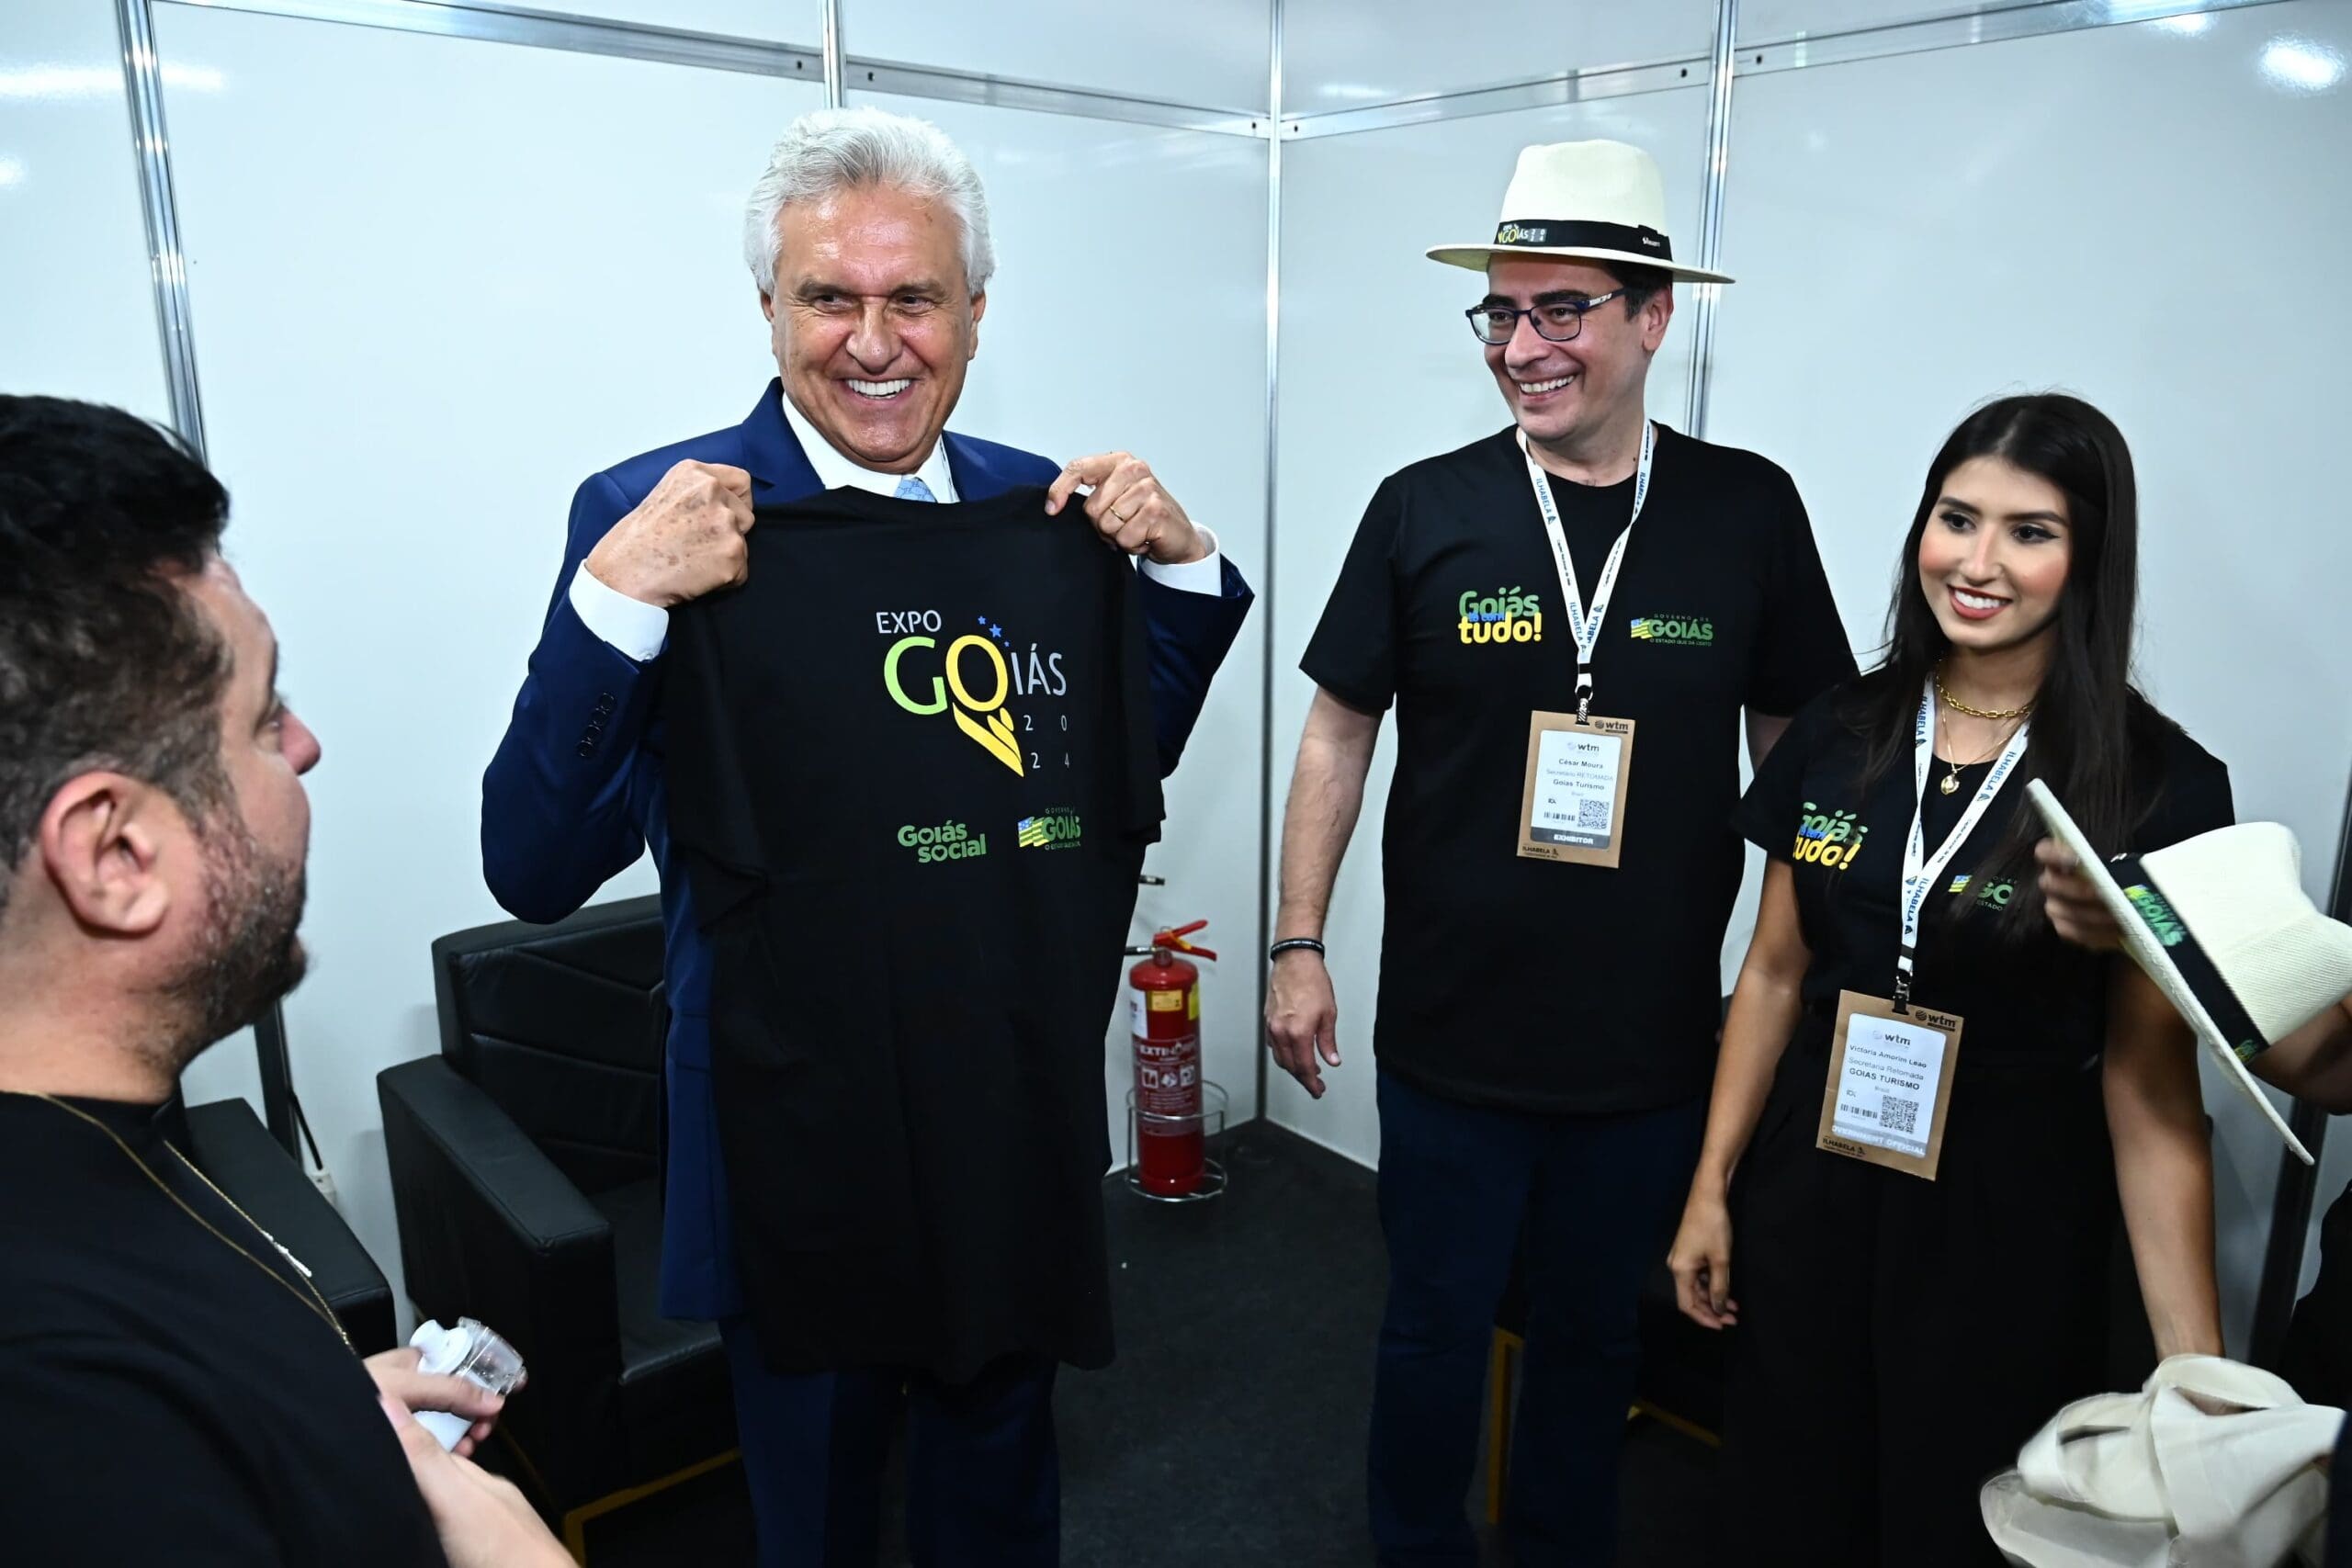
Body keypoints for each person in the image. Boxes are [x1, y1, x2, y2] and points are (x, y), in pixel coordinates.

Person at [481, 107, 1251, 1566]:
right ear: (769, 307)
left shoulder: (1038, 506)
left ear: (977, 312)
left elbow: (1104, 764)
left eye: (916, 298)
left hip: (1002, 1108)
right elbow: (532, 862)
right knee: (819, 1509)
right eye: (830, 297)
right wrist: (617, 598)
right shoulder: (656, 512)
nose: (875, 343)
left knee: (998, 1491)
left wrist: (1182, 566)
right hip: (789, 1131)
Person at [1263, 139, 1852, 1564]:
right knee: (1430, 1328)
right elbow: (1338, 729)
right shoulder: (1424, 506)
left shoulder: (1748, 510)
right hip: (1451, 1036)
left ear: (1654, 316)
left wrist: (1818, 965)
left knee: (1593, 1340)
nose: (1523, 348)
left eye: (1562, 310)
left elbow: (1804, 754)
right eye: (1503, 313)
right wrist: (1295, 941)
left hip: (1647, 1050)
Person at [1667, 393, 2233, 1566]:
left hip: (2005, 1219)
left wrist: (2194, 1378)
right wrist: (1710, 1187)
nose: (1977, 563)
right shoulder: (1840, 726)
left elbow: (2150, 1088)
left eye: (2030, 532)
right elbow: (1771, 975)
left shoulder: (2156, 784)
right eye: (1956, 518)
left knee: (1956, 1521)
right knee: (1785, 1504)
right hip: (1813, 1187)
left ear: (2089, 558)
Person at [0, 394, 566, 1567]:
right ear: (115, 856)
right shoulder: (63, 1417)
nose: (303, 746)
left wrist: (307, 1412)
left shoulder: (86, 1177)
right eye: (263, 720)